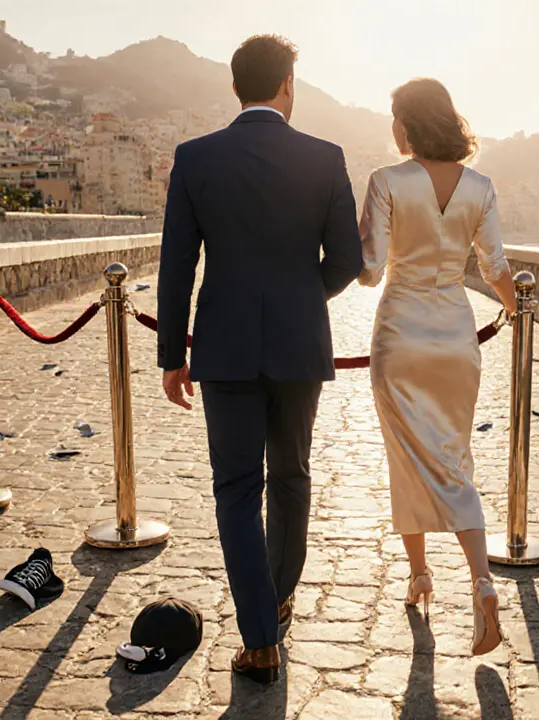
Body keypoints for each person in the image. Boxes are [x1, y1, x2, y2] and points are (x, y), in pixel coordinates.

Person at [156, 34, 363, 684]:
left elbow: (177, 265)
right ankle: (275, 600)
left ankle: (260, 639)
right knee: (293, 477)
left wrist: (172, 354)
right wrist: (305, 297)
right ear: (286, 86)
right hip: (301, 346)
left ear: (237, 86)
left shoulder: (195, 159)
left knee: (237, 493)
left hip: (225, 348)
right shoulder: (326, 158)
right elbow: (350, 261)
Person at [358, 78, 517, 657]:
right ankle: (478, 581)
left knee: (404, 455)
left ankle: (422, 573)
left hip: (400, 336)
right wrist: (520, 308)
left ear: (407, 124)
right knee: (452, 458)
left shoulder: (386, 182)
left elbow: (371, 271)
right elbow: (495, 266)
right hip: (455, 337)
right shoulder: (481, 187)